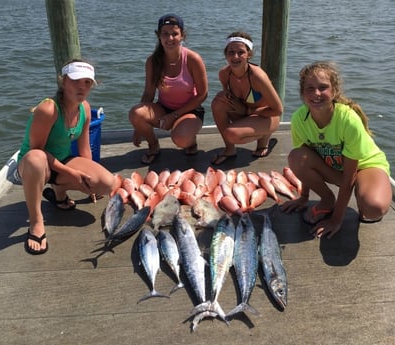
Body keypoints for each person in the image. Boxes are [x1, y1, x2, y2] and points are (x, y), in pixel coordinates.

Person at [17, 59, 118, 255]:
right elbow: (37, 152)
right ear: (63, 82)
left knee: (107, 183)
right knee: (36, 160)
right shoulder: (48, 108)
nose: (82, 86)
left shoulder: (85, 108)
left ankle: (58, 194)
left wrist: (90, 181)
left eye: (87, 82)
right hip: (33, 166)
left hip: (61, 161)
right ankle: (36, 222)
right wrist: (71, 173)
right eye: (76, 80)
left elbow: (84, 148)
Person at [281, 61, 392, 239]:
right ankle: (327, 199)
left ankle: (364, 193)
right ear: (302, 93)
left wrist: (336, 219)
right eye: (310, 88)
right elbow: (306, 157)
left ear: (334, 91)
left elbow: (349, 176)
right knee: (296, 157)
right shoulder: (299, 119)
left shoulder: (348, 120)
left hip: (365, 165)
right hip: (337, 168)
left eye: (323, 87)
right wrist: (303, 197)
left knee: (374, 208)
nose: (316, 93)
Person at [128, 13, 208, 164]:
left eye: (174, 34)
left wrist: (175, 116)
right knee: (136, 113)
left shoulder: (193, 59)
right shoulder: (152, 61)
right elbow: (148, 93)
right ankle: (153, 145)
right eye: (165, 34)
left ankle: (190, 141)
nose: (170, 38)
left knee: (181, 139)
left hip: (190, 110)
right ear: (158, 35)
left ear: (182, 35)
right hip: (163, 108)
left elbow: (202, 95)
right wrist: (137, 128)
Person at [210, 31, 283, 165]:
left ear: (249, 54)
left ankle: (265, 138)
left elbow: (278, 110)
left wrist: (248, 111)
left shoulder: (257, 77)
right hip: (245, 114)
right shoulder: (224, 74)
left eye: (241, 52)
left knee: (232, 134)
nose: (235, 56)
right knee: (218, 102)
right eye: (231, 52)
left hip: (267, 116)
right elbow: (229, 101)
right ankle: (229, 149)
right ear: (225, 54)